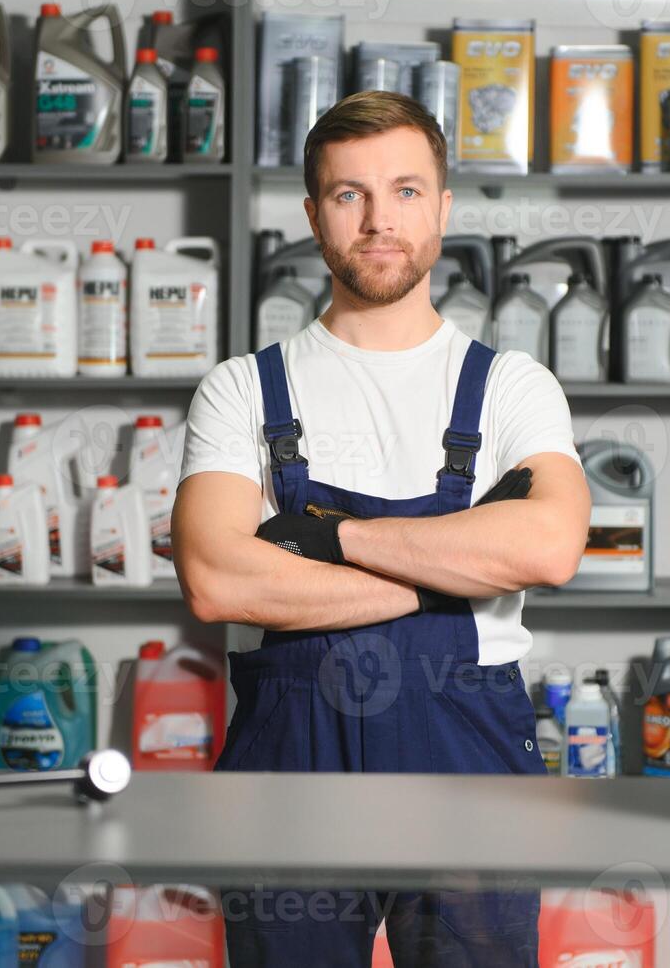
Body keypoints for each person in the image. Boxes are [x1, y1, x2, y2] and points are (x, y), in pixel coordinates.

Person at [173, 89, 591, 967]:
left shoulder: (514, 387)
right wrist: (457, 561)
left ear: (441, 209)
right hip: (290, 765)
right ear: (314, 216)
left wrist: (318, 537)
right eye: (347, 194)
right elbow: (218, 578)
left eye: (404, 190)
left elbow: (546, 548)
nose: (377, 220)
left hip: (465, 758)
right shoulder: (241, 389)